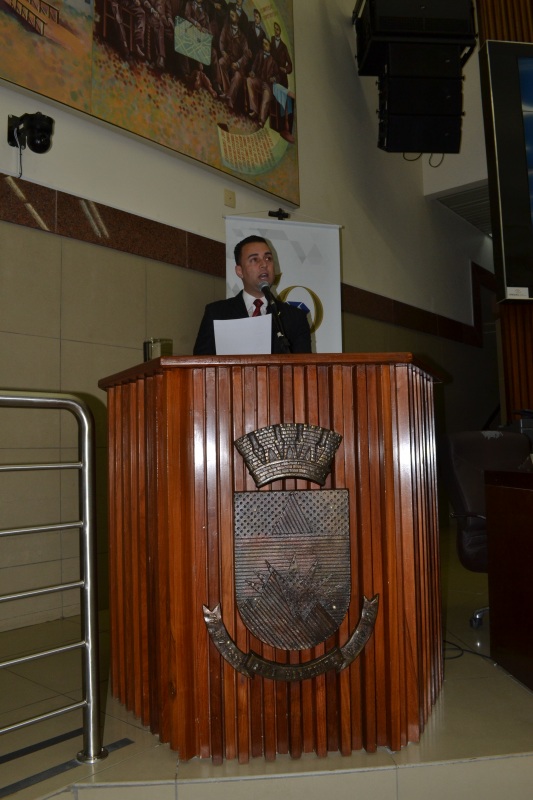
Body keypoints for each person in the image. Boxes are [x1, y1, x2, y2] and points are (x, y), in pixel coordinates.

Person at [193, 235, 312, 355]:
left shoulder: (296, 318)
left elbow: (305, 365)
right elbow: (200, 363)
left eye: (268, 258)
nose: (264, 264)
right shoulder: (216, 314)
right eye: (254, 259)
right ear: (239, 271)